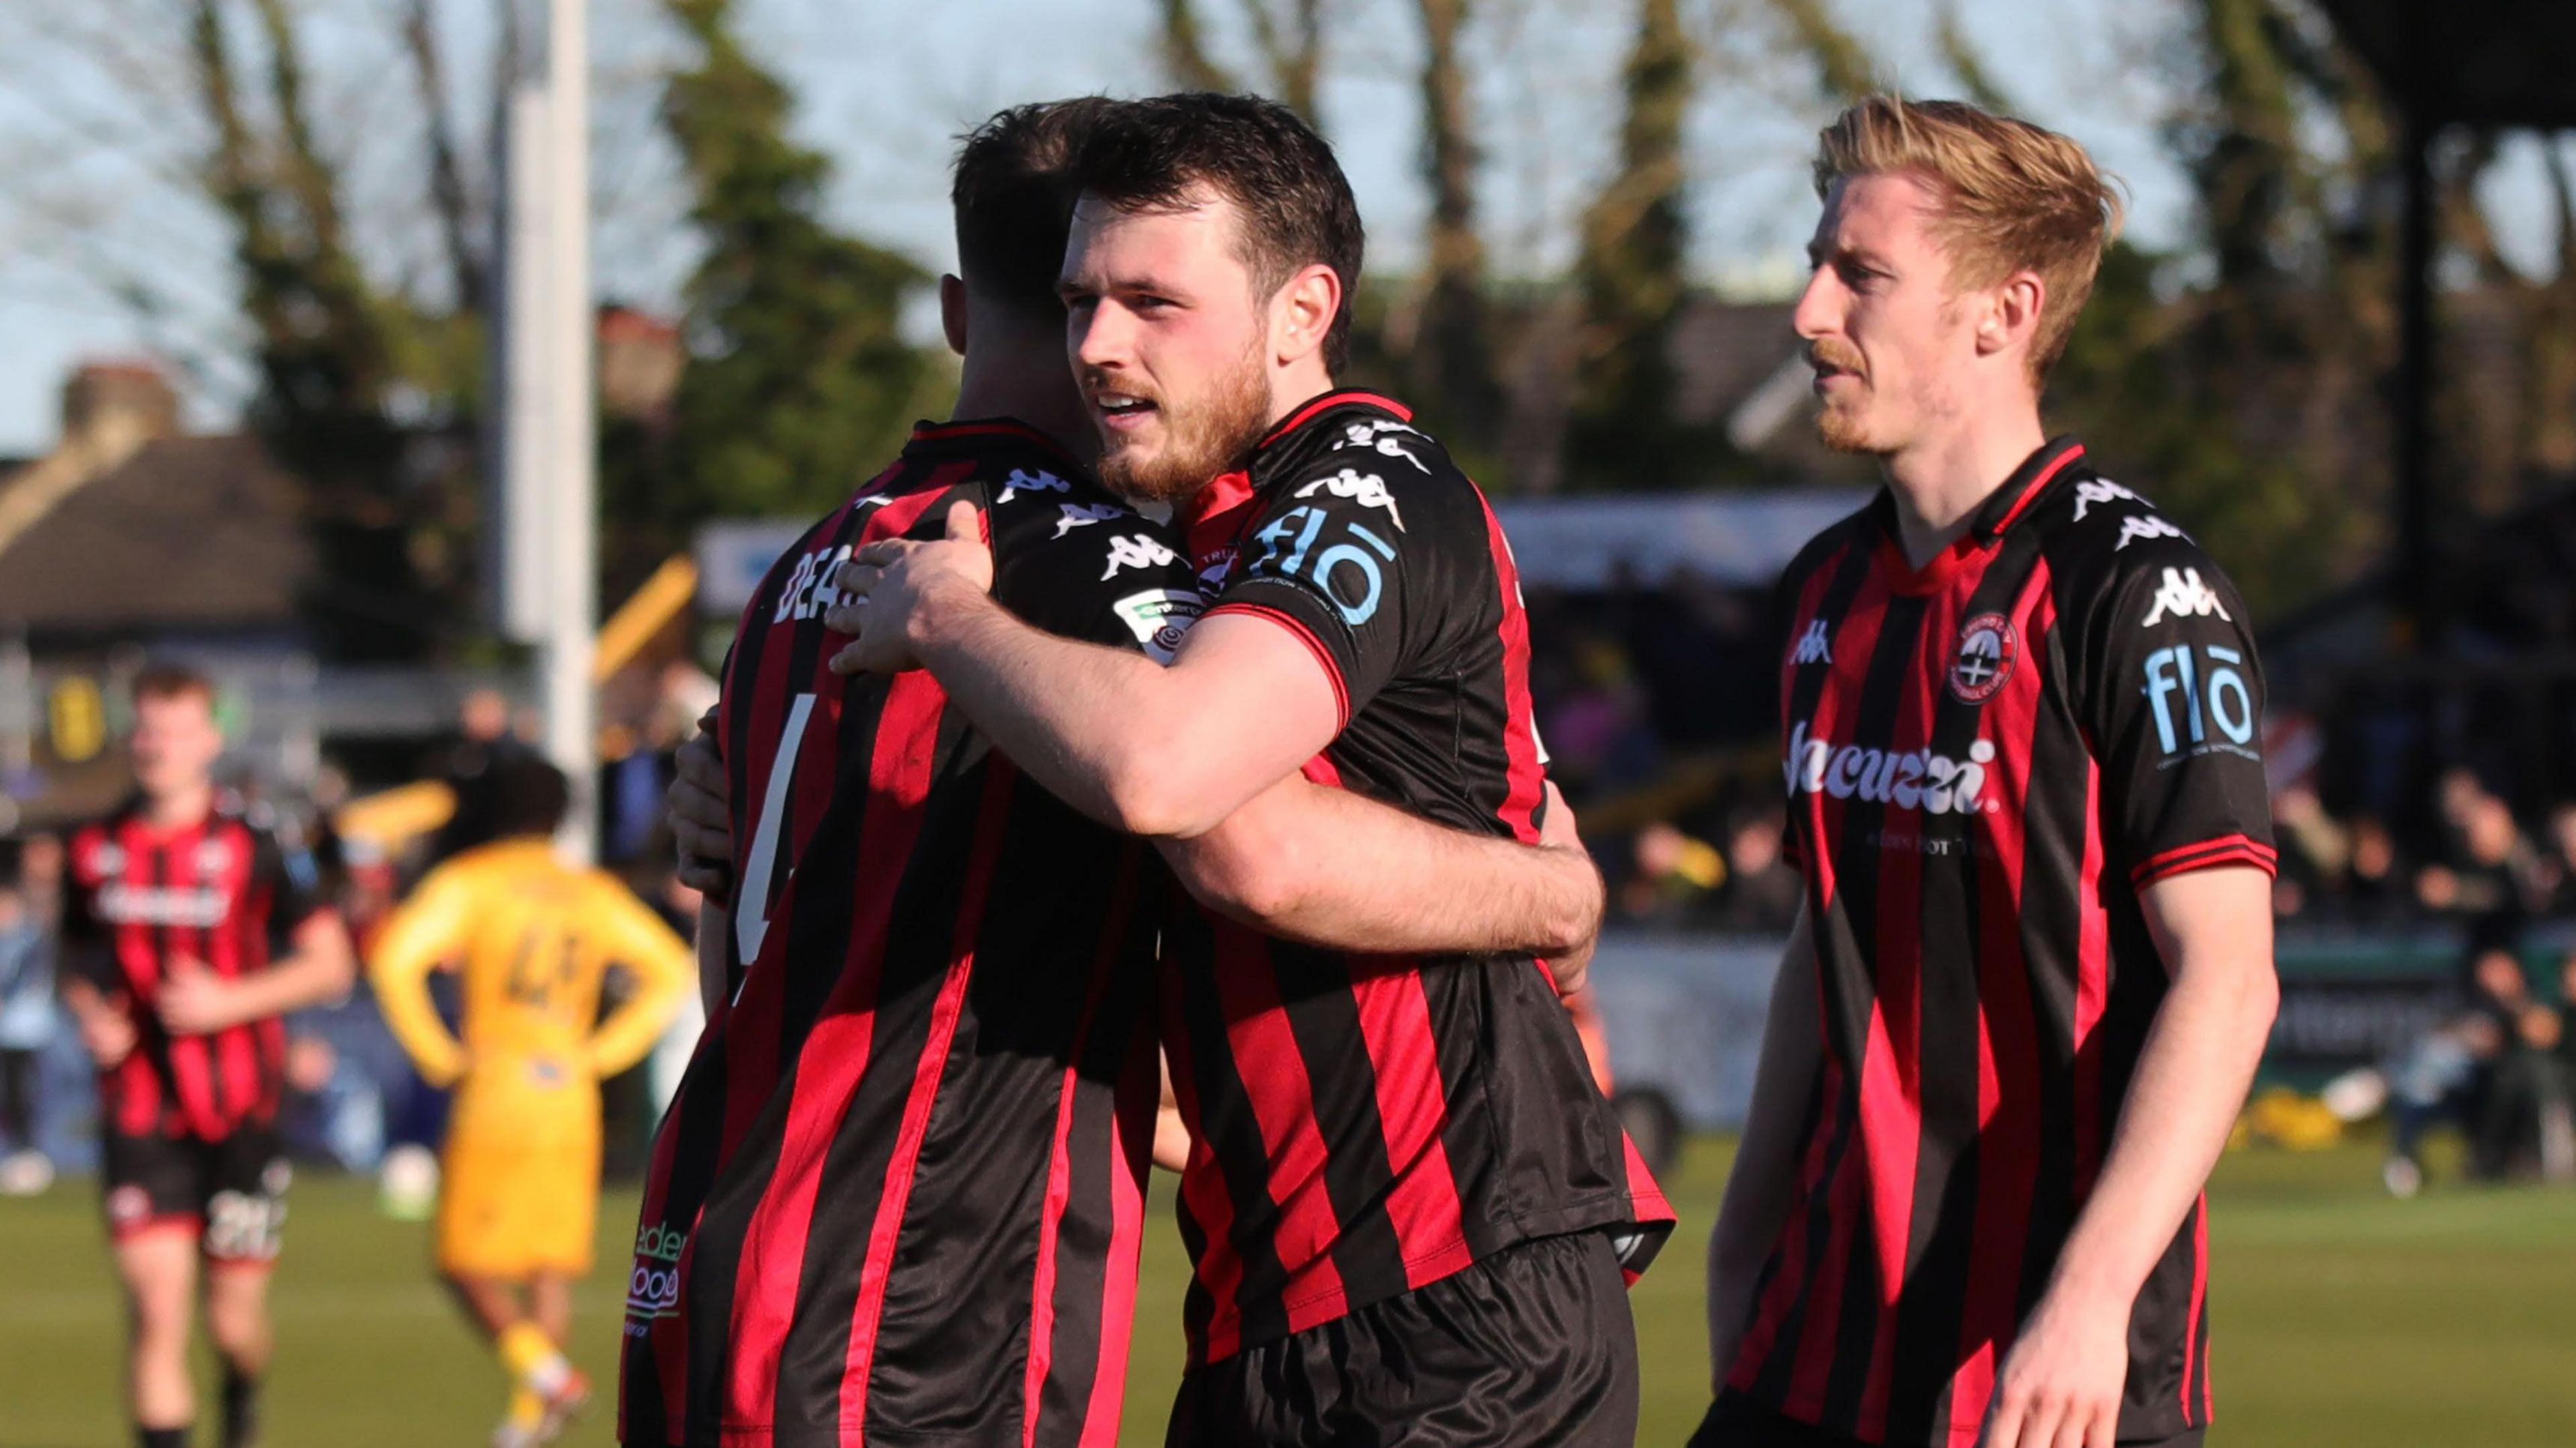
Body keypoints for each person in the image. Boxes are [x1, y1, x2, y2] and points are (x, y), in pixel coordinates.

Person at [619, 98, 1617, 1448]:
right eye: (1082, 300)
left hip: (778, 1255)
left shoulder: (831, 563)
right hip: (932, 1288)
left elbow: (1208, 812)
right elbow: (1220, 829)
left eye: (1151, 302)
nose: (1101, 344)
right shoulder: (1077, 563)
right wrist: (1557, 893)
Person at [1691, 99, 2279, 1448]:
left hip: (2052, 1375)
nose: (1807, 312)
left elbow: (2229, 976)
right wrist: (1743, 1232)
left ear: (2003, 313)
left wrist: (2090, 1296)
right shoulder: (1823, 589)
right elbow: (1826, 932)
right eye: (1816, 263)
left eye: (1862, 275)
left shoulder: (2138, 592)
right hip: (1813, 1353)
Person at [56, 663, 358, 1448]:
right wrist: (92, 1014)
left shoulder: (256, 842)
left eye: (175, 731)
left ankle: (241, 1389)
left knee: (232, 1321)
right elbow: (76, 959)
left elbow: (331, 964)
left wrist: (230, 1001)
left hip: (241, 1107)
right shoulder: (92, 845)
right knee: (156, 1311)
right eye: (146, 730)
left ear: (210, 740)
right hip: (139, 1106)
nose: (157, 746)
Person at [370, 758, 691, 1448]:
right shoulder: (589, 890)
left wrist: (438, 1053)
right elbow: (670, 967)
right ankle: (532, 1420)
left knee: (462, 1262)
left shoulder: (471, 881)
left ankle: (546, 1377)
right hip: (568, 1091)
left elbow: (395, 959)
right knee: (550, 1265)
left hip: (498, 1084)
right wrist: (602, 1052)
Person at [0, 842, 58, 1193]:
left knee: (24, 1092)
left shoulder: (30, 936)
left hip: (25, 1030)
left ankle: (29, 1155)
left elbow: (24, 976)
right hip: (8, 1030)